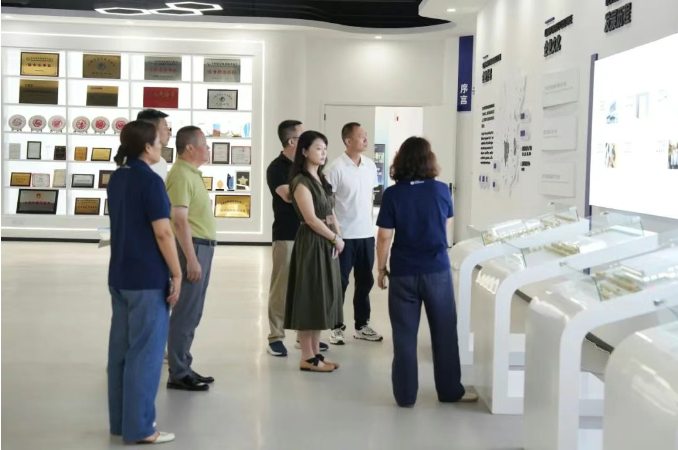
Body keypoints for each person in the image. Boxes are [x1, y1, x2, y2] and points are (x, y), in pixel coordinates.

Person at [375, 136, 477, 407]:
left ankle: (405, 396)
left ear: (400, 160)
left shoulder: (393, 194)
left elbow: (384, 236)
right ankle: (449, 391)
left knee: (404, 335)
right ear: (429, 159)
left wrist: (381, 268)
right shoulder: (441, 190)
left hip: (403, 272)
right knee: (444, 332)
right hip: (436, 270)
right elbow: (446, 226)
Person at [107, 120, 182, 444]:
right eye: (159, 141)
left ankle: (121, 422)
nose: (163, 145)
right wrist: (177, 272)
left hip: (120, 274)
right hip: (148, 277)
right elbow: (163, 232)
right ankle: (141, 428)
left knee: (121, 353)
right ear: (147, 147)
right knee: (146, 355)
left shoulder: (118, 178)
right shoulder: (151, 181)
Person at [266, 120, 330, 356]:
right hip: (287, 235)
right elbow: (289, 196)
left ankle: (304, 339)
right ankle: (275, 337)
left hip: (313, 237)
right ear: (293, 141)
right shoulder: (277, 168)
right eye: (303, 136)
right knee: (282, 288)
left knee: (308, 288)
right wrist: (310, 194)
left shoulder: (310, 169)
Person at [284, 130, 343, 372]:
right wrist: (335, 238)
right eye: (318, 148)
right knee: (310, 296)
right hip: (312, 242)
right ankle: (307, 357)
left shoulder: (320, 179)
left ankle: (316, 353)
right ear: (304, 151)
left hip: (326, 241)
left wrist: (337, 236)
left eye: (325, 148)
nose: (323, 153)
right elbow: (311, 219)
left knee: (321, 296)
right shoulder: (301, 181)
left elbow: (330, 212)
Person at [165, 126, 216, 391]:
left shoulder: (190, 173)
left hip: (201, 246)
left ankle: (183, 365)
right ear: (189, 148)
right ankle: (178, 372)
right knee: (185, 312)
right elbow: (179, 219)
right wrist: (191, 259)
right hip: (193, 248)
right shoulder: (181, 175)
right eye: (205, 144)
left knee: (193, 311)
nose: (208, 149)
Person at [326, 122, 382, 345]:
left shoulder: (370, 165)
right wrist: (334, 233)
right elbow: (327, 203)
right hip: (344, 237)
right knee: (339, 283)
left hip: (366, 234)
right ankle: (336, 326)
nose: (365, 139)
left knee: (365, 282)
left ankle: (362, 325)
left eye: (366, 135)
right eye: (361, 136)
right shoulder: (335, 168)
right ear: (348, 141)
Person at [137, 109, 171, 180]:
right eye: (165, 128)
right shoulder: (131, 164)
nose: (169, 132)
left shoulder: (161, 162)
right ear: (152, 130)